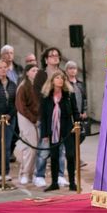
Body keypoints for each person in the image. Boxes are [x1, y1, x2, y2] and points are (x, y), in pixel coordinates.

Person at [39, 71, 79, 192]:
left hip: (67, 127)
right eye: (57, 77)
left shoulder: (69, 94)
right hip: (52, 129)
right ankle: (54, 182)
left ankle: (72, 182)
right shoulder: (46, 96)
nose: (60, 80)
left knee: (71, 155)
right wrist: (44, 133)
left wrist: (78, 125)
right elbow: (44, 116)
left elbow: (75, 111)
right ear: (52, 80)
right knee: (54, 156)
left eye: (62, 78)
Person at [33, 47, 66, 187]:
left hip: (60, 116)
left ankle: (59, 175)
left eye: (57, 55)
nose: (55, 57)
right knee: (45, 146)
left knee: (61, 148)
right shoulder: (41, 74)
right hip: (46, 116)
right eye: (51, 56)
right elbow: (37, 96)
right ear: (46, 59)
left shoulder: (62, 73)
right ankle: (39, 175)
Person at [15, 64, 40, 185]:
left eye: (37, 70)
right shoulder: (23, 86)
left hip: (36, 117)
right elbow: (21, 106)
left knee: (35, 148)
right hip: (26, 117)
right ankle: (25, 174)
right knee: (31, 147)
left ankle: (31, 173)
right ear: (27, 73)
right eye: (33, 70)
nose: (36, 72)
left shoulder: (38, 85)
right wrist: (33, 118)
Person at [66, 61, 88, 166]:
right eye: (70, 68)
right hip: (70, 115)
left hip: (80, 114)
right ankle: (75, 160)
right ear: (66, 70)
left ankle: (74, 157)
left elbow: (84, 99)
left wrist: (84, 111)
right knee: (72, 137)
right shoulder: (65, 84)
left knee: (81, 135)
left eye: (74, 68)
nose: (72, 70)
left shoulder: (80, 84)